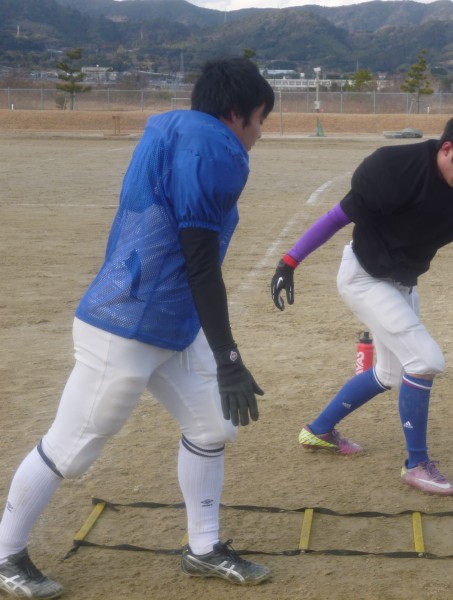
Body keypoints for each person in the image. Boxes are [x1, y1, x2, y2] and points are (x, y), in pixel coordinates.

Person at [0, 57, 275, 599]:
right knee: (70, 448)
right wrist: (229, 358)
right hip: (127, 325)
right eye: (260, 119)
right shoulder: (210, 147)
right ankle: (5, 551)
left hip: (168, 318)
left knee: (212, 428)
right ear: (235, 113)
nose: (260, 133)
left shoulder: (176, 130)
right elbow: (201, 263)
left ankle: (203, 547)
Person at [270, 110, 453, 496]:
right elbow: (337, 217)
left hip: (403, 283)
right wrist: (289, 261)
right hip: (364, 277)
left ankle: (318, 431)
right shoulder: (393, 168)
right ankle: (416, 464)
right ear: (446, 148)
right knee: (426, 360)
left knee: (390, 374)